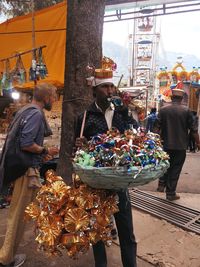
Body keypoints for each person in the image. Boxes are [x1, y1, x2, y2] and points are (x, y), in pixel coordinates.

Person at [75, 69, 138, 267]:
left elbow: (135, 134)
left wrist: (132, 128)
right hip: (96, 183)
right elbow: (78, 151)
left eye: (111, 86)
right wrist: (80, 145)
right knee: (99, 231)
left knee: (126, 230)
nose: (110, 90)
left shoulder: (121, 111)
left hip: (119, 180)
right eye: (104, 86)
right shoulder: (85, 116)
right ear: (95, 90)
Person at [0, 83, 59, 267]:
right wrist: (46, 150)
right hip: (25, 171)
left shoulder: (25, 110)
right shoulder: (35, 113)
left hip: (20, 169)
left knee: (20, 213)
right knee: (18, 216)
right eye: (54, 96)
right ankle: (5, 259)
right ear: (47, 97)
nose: (55, 99)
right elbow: (26, 143)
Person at [155, 83, 200, 201]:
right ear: (181, 98)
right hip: (180, 146)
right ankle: (170, 193)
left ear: (171, 97)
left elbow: (156, 128)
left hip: (165, 144)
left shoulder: (163, 110)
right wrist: (198, 143)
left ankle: (161, 185)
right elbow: (194, 130)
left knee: (165, 165)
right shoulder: (187, 111)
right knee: (175, 168)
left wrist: (155, 142)